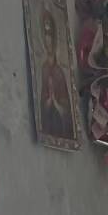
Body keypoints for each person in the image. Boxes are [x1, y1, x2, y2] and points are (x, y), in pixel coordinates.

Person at [38, 9, 76, 141]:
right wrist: (48, 102)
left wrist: (56, 103)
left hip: (61, 127)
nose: (48, 39)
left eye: (50, 34)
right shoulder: (43, 70)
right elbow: (42, 106)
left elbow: (67, 112)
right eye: (45, 34)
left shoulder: (60, 72)